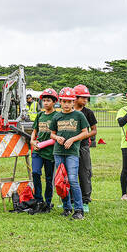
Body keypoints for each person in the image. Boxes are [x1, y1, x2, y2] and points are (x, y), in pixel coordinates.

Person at [49, 87, 91, 220]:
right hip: (58, 152)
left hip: (72, 152)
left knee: (72, 179)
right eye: (64, 101)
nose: (66, 104)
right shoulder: (57, 116)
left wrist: (73, 139)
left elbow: (85, 132)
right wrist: (57, 138)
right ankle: (67, 207)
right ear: (60, 102)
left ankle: (78, 209)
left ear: (73, 102)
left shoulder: (79, 116)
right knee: (61, 181)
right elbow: (52, 134)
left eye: (69, 101)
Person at [29, 88, 59, 213]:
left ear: (54, 102)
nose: (46, 103)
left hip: (50, 151)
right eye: (44, 101)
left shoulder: (57, 116)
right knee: (35, 172)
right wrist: (32, 141)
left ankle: (47, 202)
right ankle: (38, 200)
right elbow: (35, 131)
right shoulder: (40, 115)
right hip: (37, 150)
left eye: (48, 101)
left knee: (48, 177)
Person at [73, 84, 97, 213]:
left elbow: (94, 131)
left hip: (83, 146)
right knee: (70, 174)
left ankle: (85, 200)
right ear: (75, 98)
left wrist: (81, 136)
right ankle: (71, 200)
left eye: (87, 98)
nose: (86, 100)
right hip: (69, 147)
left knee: (84, 173)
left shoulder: (88, 112)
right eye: (83, 98)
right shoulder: (69, 111)